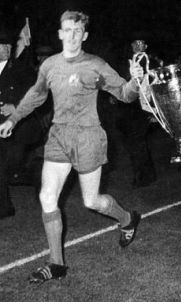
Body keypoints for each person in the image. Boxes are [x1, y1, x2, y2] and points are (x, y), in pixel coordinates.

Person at [0, 10, 144, 283]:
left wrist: (136, 80)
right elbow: (37, 95)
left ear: (85, 35)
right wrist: (14, 118)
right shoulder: (50, 65)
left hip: (88, 137)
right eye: (68, 29)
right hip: (58, 137)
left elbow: (124, 95)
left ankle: (127, 219)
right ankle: (57, 264)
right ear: (60, 33)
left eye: (78, 31)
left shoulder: (95, 65)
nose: (73, 35)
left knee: (92, 201)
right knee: (47, 197)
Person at [110, 37, 159, 188]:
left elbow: (154, 87)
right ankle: (144, 174)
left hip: (141, 109)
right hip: (125, 109)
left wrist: (154, 111)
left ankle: (143, 176)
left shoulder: (151, 62)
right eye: (135, 43)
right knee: (132, 144)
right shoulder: (125, 62)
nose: (138, 46)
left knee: (137, 143)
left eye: (141, 43)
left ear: (146, 45)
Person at [0, 29, 37, 218]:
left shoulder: (21, 69)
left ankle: (36, 176)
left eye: (8, 46)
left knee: (12, 167)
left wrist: (14, 106)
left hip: (17, 127)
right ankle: (4, 207)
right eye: (1, 45)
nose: (5, 49)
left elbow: (36, 93)